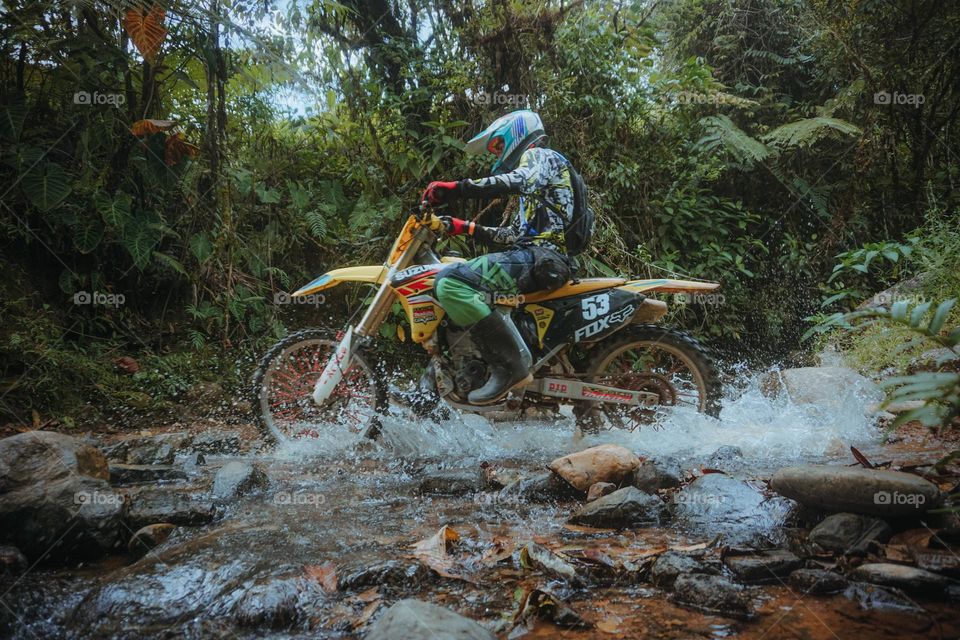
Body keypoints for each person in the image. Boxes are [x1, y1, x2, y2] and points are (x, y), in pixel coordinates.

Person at [422, 109, 578, 404]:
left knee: (451, 282)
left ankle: (509, 368)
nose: (495, 153)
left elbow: (518, 180)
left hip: (542, 258)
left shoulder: (540, 156)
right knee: (460, 276)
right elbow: (512, 234)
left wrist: (455, 189)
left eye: (496, 145)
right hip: (537, 255)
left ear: (515, 133)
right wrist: (463, 227)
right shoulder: (540, 186)